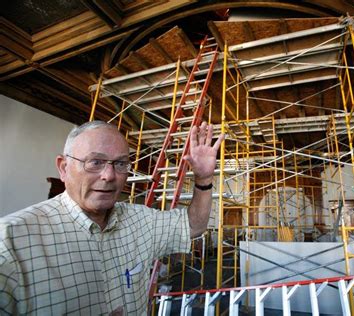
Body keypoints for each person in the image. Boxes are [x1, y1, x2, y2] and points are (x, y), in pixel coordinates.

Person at [0, 120, 224, 315]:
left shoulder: (141, 221)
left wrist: (203, 178)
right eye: (95, 162)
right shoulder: (10, 241)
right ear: (63, 168)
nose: (109, 176)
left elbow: (194, 225)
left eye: (120, 164)